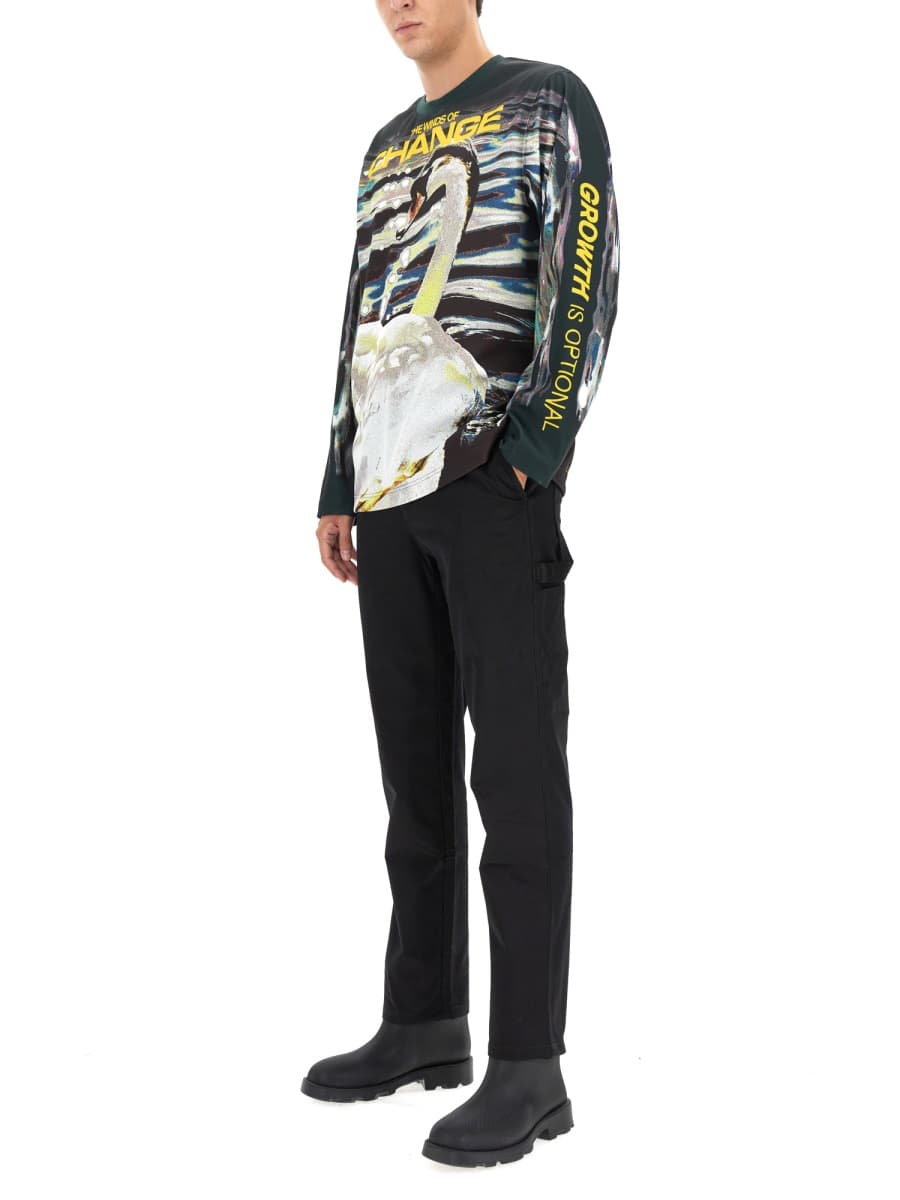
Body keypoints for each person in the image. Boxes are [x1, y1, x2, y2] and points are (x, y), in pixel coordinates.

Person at [302, 0, 619, 1168]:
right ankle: (425, 1018)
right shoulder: (387, 146)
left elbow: (584, 276)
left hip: (491, 482)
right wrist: (339, 473)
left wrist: (533, 450)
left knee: (517, 772)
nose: (399, 2)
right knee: (414, 773)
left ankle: (530, 1065)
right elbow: (366, 304)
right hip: (387, 492)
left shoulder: (546, 100)